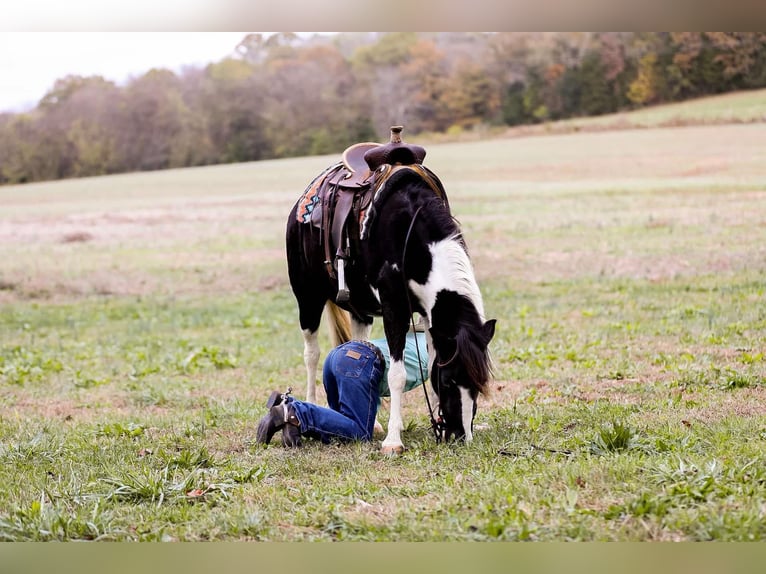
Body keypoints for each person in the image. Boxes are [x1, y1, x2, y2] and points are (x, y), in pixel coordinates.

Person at [256, 331, 428, 447]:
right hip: (359, 362)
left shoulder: (413, 334)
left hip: (337, 356)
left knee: (340, 424)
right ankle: (294, 411)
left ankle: (290, 413)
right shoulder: (438, 347)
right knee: (360, 434)